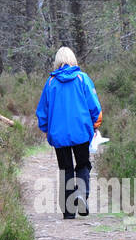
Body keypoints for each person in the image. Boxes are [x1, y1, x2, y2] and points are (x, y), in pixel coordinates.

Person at [35, 47, 103, 219]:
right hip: (80, 131)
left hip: (58, 135)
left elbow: (42, 111)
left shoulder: (51, 83)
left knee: (65, 170)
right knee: (83, 164)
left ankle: (68, 211)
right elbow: (94, 106)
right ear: (73, 59)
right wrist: (95, 126)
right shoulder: (82, 79)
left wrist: (46, 129)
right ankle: (81, 194)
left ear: (57, 61)